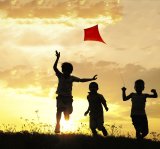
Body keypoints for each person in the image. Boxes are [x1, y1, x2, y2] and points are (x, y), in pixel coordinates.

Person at [53, 50, 97, 133]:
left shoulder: (71, 78)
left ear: (70, 71)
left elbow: (81, 80)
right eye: (65, 70)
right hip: (61, 97)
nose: (66, 72)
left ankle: (66, 113)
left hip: (68, 98)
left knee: (68, 113)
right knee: (59, 110)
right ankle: (57, 125)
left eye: (68, 71)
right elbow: (55, 68)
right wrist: (57, 58)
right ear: (63, 70)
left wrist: (91, 79)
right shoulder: (60, 76)